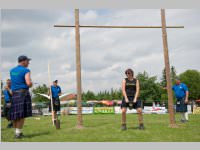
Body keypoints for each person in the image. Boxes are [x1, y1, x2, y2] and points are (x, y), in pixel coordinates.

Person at [10, 55, 33, 138]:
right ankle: (18, 133)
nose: (28, 63)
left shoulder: (12, 71)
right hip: (22, 93)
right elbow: (28, 83)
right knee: (21, 114)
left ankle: (16, 132)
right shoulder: (26, 70)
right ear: (23, 61)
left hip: (14, 93)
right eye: (27, 61)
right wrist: (31, 84)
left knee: (16, 115)